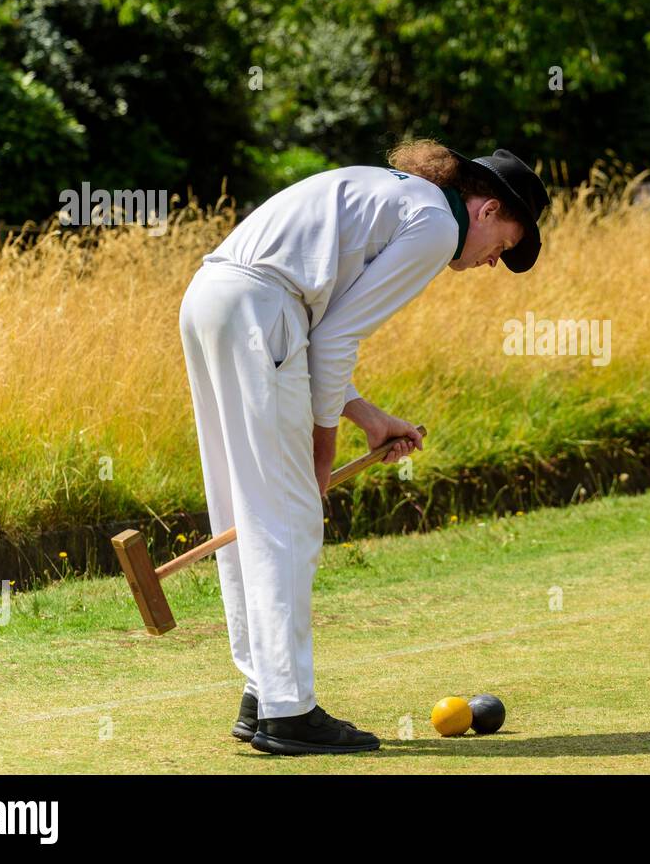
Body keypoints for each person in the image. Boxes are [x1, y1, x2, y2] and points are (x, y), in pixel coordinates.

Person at [178, 140, 550, 755]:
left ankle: (264, 690)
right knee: (287, 518)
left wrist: (364, 415)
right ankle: (288, 713)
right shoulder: (434, 226)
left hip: (213, 300)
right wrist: (323, 450)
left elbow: (320, 328)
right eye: (504, 245)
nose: (492, 262)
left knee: (247, 510)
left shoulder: (402, 198)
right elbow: (333, 340)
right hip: (260, 312)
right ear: (486, 211)